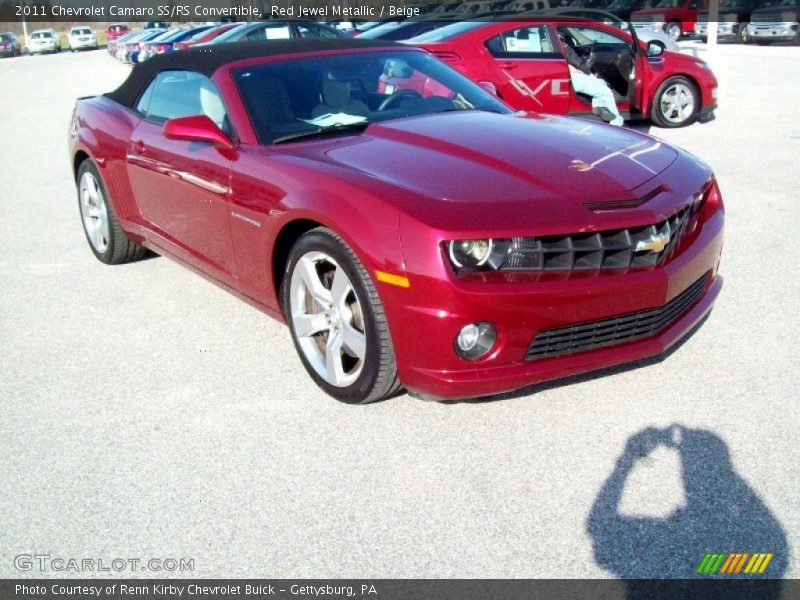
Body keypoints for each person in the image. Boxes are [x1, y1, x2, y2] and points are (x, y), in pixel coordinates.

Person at [559, 32, 624, 127]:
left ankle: (599, 106)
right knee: (605, 91)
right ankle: (616, 123)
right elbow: (577, 63)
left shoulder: (547, 41)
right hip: (571, 77)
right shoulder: (562, 44)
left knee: (601, 82)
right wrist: (590, 73)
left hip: (566, 75)